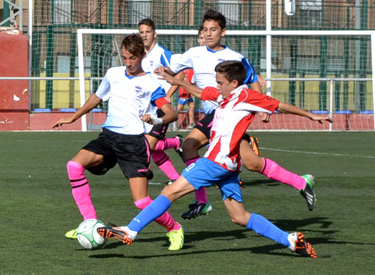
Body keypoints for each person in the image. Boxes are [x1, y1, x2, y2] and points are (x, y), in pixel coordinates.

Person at [98, 61, 332, 258]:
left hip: (215, 162)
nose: (217, 87)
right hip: (228, 165)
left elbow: (280, 105)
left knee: (169, 193)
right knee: (239, 217)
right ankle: (291, 241)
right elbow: (199, 91)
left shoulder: (247, 96)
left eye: (220, 83)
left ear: (234, 83)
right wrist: (174, 79)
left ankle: (131, 231)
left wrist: (311, 115)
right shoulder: (224, 97)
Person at [162, 10, 317, 220]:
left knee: (188, 145)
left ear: (223, 32)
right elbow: (173, 70)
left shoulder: (235, 58)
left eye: (213, 30)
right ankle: (301, 182)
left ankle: (202, 201)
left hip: (227, 113)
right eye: (205, 30)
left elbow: (252, 78)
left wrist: (261, 109)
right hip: (215, 117)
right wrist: (163, 74)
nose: (208, 34)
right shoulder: (193, 53)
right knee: (252, 163)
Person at [53, 34, 184, 251]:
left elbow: (171, 113)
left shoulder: (150, 84)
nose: (128, 63)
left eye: (132, 58)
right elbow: (97, 97)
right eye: (124, 57)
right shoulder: (113, 74)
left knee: (141, 202)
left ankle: (174, 228)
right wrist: (74, 117)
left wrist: (156, 118)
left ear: (142, 55)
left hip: (133, 144)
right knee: (74, 166)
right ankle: (90, 223)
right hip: (108, 137)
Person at [138, 18, 185, 185]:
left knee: (149, 145)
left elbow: (181, 73)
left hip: (161, 107)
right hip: (147, 107)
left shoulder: (161, 53)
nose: (144, 35)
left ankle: (177, 142)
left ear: (155, 34)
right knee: (152, 147)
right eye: (141, 32)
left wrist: (169, 94)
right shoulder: (141, 56)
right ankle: (174, 178)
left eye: (148, 32)